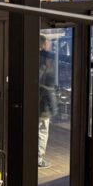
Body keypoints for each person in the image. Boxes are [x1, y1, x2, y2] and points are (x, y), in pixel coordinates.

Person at [38, 34, 58, 168]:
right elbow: (48, 83)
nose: (50, 45)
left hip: (32, 99)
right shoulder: (46, 60)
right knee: (43, 129)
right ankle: (38, 159)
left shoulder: (29, 55)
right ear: (44, 44)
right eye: (48, 43)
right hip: (42, 101)